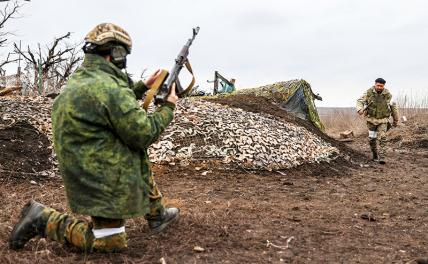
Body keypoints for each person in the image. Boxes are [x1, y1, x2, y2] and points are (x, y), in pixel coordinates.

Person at [9, 23, 179, 253]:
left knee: (129, 150)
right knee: (109, 244)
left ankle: (156, 213)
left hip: (86, 167)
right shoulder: (111, 89)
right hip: (101, 178)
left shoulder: (84, 78)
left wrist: (142, 87)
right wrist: (168, 107)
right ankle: (41, 218)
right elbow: (144, 133)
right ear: (116, 53)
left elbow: (108, 105)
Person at [356, 78, 399, 164]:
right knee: (372, 139)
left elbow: (394, 108)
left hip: (383, 120)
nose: (379, 87)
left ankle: (382, 157)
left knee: (382, 137)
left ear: (384, 86)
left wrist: (395, 120)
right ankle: (375, 155)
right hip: (371, 120)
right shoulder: (368, 93)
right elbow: (359, 101)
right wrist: (360, 109)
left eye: (381, 86)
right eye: (378, 85)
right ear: (375, 84)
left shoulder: (388, 95)